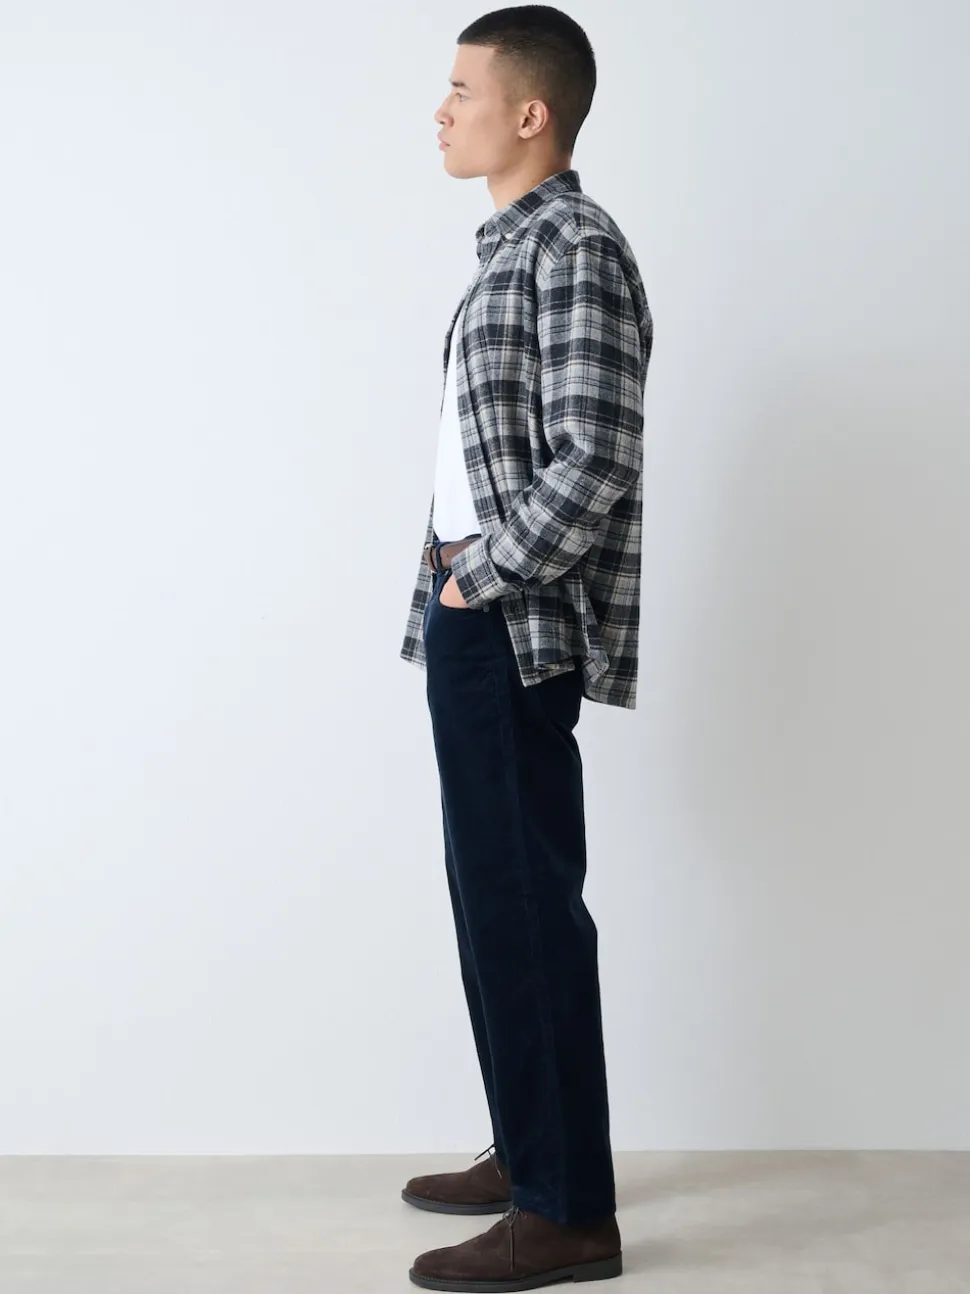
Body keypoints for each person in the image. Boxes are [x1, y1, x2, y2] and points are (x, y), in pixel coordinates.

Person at [399, 7, 653, 1289]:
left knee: (523, 903)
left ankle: (567, 1212)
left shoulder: (575, 248)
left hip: (513, 614)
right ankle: (529, 1146)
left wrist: (478, 581)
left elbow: (593, 459)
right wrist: (443, 591)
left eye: (461, 89)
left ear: (530, 112)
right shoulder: (508, 250)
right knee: (486, 895)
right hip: (473, 611)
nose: (441, 110)